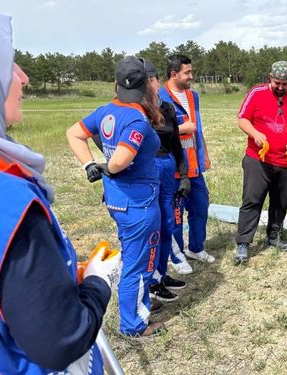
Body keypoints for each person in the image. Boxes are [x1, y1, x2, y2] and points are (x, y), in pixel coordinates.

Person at [0, 0, 119, 372]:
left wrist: (59, 275)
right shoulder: (3, 203)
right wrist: (97, 284)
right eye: (6, 61)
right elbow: (62, 339)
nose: (23, 77)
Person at [67, 56, 164, 337]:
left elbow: (73, 133)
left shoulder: (105, 111)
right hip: (138, 204)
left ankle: (138, 302)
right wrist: (106, 167)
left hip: (119, 200)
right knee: (137, 261)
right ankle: (133, 324)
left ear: (116, 84)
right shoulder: (137, 118)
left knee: (134, 255)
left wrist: (90, 165)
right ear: (146, 85)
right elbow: (121, 160)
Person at [233, 61, 287, 263]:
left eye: (285, 83)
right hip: (258, 159)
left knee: (281, 201)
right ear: (270, 78)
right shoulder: (256, 93)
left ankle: (274, 235)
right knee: (252, 200)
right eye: (277, 83)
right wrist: (255, 133)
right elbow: (242, 119)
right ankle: (243, 243)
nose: (281, 87)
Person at [159, 54, 215, 270]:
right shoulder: (159, 96)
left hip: (194, 165)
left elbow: (197, 127)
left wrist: (205, 155)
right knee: (175, 214)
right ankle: (177, 255)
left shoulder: (193, 96)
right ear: (174, 74)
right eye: (187, 73)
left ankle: (196, 247)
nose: (192, 76)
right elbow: (156, 130)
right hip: (173, 168)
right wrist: (181, 129)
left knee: (200, 205)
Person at [143, 59, 190, 302]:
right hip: (148, 173)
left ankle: (160, 275)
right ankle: (149, 280)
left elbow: (177, 146)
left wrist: (183, 175)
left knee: (168, 224)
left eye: (152, 80)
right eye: (145, 81)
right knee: (153, 227)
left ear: (157, 81)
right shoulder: (134, 111)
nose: (150, 85)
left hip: (168, 169)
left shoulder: (168, 109)